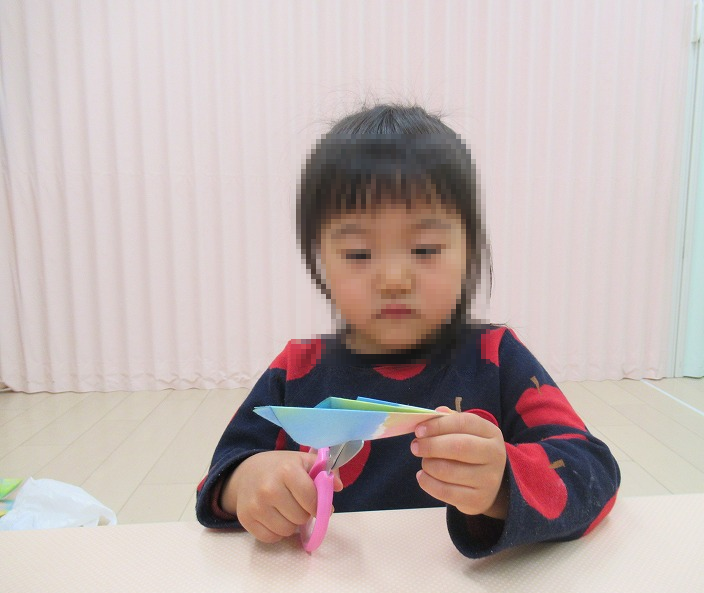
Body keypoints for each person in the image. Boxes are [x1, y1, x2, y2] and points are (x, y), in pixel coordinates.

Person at [196, 104, 620, 558]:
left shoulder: (497, 358)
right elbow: (220, 480)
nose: (394, 279)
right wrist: (249, 483)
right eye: (359, 254)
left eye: (425, 248)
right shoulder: (297, 370)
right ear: (321, 260)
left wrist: (502, 483)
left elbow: (593, 472)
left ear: (468, 251)